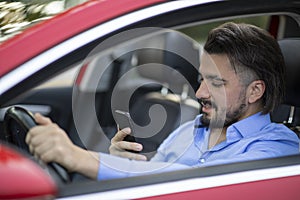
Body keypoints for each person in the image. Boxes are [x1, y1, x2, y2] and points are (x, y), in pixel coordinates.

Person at [26, 22, 299, 181]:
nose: (200, 93)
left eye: (217, 83)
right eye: (202, 80)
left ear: (254, 92)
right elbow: (154, 176)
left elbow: (200, 185)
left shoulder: (280, 151)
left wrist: (84, 159)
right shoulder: (190, 130)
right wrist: (121, 162)